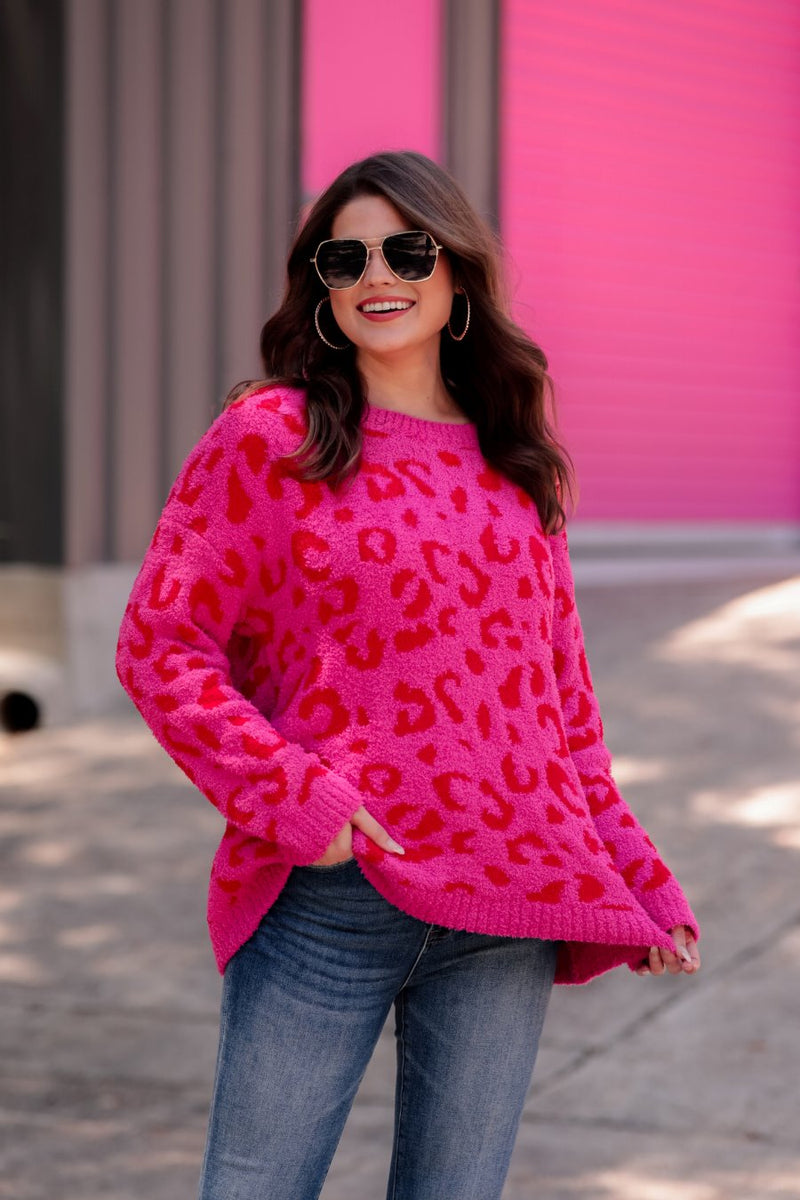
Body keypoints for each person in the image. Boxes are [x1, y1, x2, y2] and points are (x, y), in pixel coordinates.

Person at [116, 150, 701, 1200]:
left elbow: (558, 708)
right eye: (345, 256)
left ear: (457, 277)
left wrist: (634, 870)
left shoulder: (514, 464)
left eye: (406, 249)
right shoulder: (268, 440)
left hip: (509, 901)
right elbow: (161, 645)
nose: (376, 273)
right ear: (323, 287)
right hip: (330, 895)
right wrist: (299, 798)